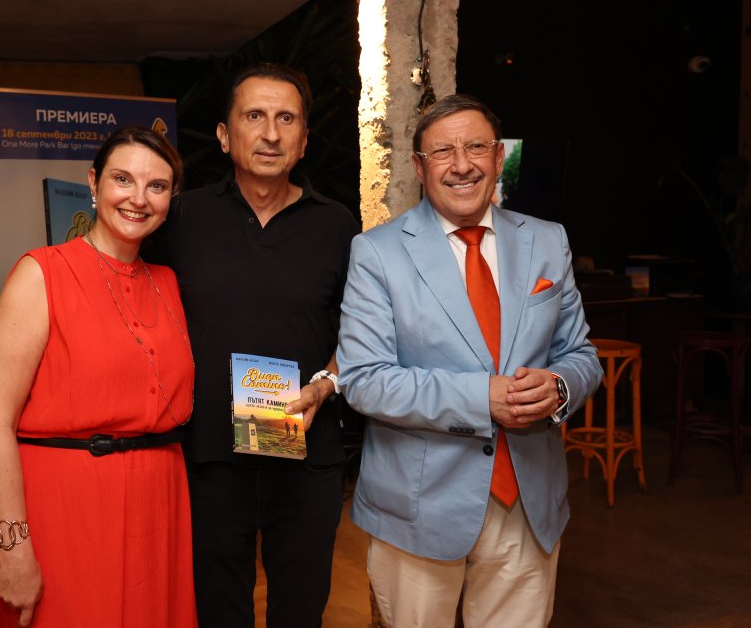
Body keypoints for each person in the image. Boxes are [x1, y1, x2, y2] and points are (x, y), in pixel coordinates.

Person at [337, 94, 603, 627]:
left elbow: (581, 354)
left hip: (527, 502)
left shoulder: (548, 240)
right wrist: (483, 398)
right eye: (443, 152)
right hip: (419, 506)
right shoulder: (377, 252)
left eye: (476, 147)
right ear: (420, 167)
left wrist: (559, 385)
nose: (462, 165)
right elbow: (365, 379)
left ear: (498, 156)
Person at [145, 63, 359, 627]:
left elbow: (364, 331)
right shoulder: (182, 216)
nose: (270, 134)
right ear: (224, 135)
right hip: (208, 459)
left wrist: (326, 384)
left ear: (304, 140)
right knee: (217, 613)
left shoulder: (338, 225)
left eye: (286, 119)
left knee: (300, 613)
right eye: (255, 116)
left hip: (307, 457)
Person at [0, 126, 197, 627]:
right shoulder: (41, 274)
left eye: (157, 186)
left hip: (159, 504)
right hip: (67, 507)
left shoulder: (167, 283)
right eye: (123, 179)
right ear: (94, 183)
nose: (138, 199)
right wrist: (13, 546)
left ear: (171, 198)